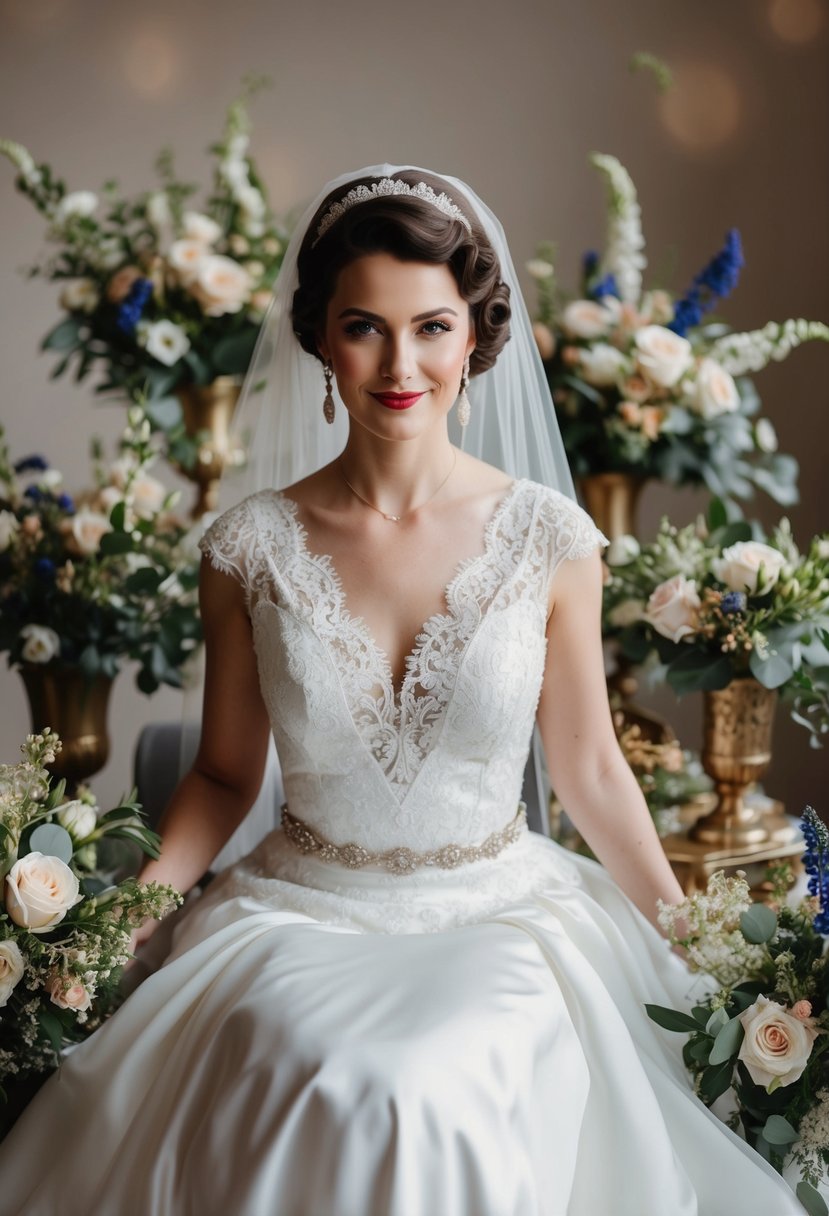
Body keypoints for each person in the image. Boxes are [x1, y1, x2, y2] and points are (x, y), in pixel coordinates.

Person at [0, 166, 802, 1216]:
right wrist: (132, 918)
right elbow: (223, 771)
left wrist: (696, 950)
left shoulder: (549, 538)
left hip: (501, 917)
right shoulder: (247, 547)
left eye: (431, 326)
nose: (400, 363)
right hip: (302, 915)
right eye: (364, 327)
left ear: (476, 334)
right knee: (320, 1067)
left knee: (421, 1083)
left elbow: (591, 768)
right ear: (320, 340)